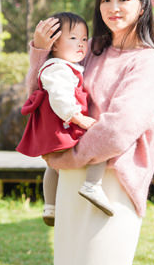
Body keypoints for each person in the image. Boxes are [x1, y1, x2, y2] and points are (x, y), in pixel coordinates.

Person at [28, 0, 154, 265]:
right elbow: (41, 97)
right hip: (72, 184)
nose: (113, 6)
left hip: (112, 186)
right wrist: (40, 51)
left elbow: (120, 128)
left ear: (142, 5)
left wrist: (68, 158)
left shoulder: (149, 62)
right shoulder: (89, 52)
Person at [16, 12, 112, 224]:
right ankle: (92, 185)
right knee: (103, 142)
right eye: (73, 38)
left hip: (56, 131)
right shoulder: (58, 68)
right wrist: (78, 118)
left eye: (84, 39)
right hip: (64, 128)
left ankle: (50, 207)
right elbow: (59, 98)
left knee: (52, 168)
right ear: (54, 45)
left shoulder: (65, 67)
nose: (81, 44)